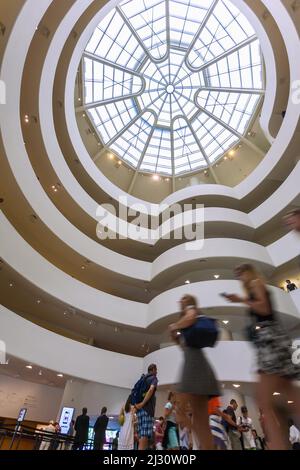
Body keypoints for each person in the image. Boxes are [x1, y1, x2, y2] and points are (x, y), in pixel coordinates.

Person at [225, 263, 300, 449]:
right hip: (270, 340)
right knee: (282, 393)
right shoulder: (255, 287)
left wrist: (242, 300)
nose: (239, 276)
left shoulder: (257, 283)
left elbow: (264, 309)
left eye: (241, 272)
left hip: (270, 340)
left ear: (249, 272)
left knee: (265, 399)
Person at [169, 294, 219, 450]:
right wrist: (176, 336)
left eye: (184, 298)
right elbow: (184, 346)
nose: (181, 300)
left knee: (181, 412)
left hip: (194, 367)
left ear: (189, 301)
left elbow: (190, 317)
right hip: (196, 365)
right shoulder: (188, 326)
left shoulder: (191, 311)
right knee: (200, 420)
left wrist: (175, 326)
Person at [134, 364, 158, 450]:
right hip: (147, 410)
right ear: (153, 370)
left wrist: (139, 405)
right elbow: (151, 389)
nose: (157, 372)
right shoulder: (153, 378)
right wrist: (143, 403)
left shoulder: (143, 378)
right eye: (156, 370)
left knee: (141, 436)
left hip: (140, 411)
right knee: (144, 436)